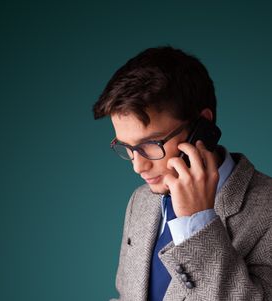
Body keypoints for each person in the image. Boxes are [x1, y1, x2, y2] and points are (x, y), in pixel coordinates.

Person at [92, 46, 272, 300]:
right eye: (126, 147)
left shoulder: (268, 210)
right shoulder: (140, 201)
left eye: (151, 144)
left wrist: (197, 223)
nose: (138, 166)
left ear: (203, 126)